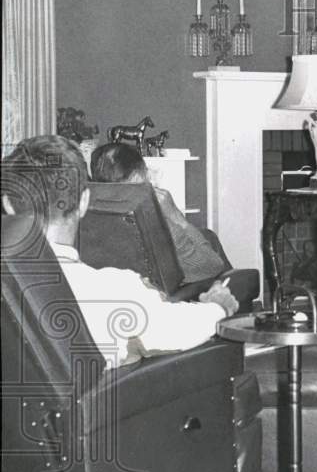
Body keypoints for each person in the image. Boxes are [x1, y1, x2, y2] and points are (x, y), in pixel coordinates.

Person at [1, 135, 238, 369]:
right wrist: (218, 305)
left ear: (9, 205)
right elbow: (180, 330)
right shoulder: (113, 289)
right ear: (83, 202)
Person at [90, 142, 227, 284]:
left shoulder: (89, 215)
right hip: (166, 294)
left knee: (208, 236)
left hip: (120, 283)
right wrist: (176, 215)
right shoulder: (157, 222)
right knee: (235, 276)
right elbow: (213, 266)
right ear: (137, 177)